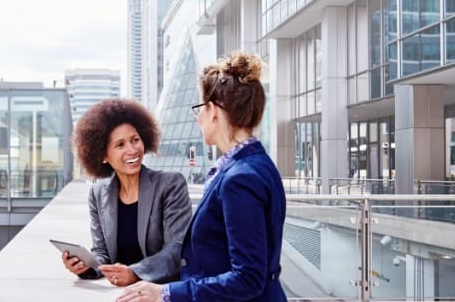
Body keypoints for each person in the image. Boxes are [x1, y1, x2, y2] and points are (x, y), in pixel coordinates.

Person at [118, 51, 287, 302]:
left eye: (199, 108)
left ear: (213, 110)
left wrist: (165, 293)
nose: (198, 118)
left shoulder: (240, 179)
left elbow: (248, 278)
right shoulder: (256, 165)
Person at [61, 98, 192, 287]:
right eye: (120, 145)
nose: (132, 150)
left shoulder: (170, 184)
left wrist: (135, 273)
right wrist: (86, 266)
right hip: (120, 293)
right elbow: (102, 253)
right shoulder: (98, 193)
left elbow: (176, 249)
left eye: (135, 140)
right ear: (103, 155)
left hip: (161, 290)